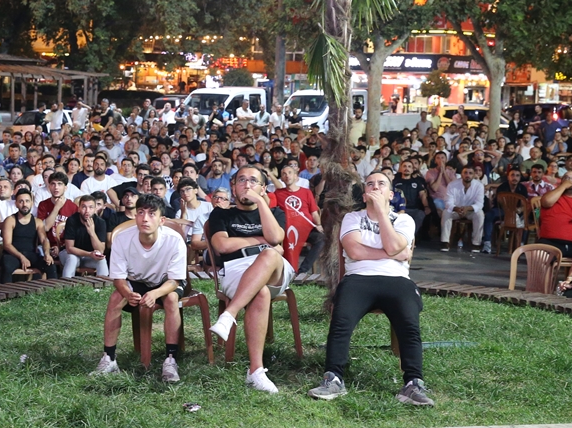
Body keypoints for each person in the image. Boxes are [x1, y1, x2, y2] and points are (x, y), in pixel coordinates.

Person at [309, 170, 432, 405]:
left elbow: (397, 245)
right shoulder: (352, 219)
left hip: (397, 280)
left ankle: (413, 383)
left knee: (409, 323)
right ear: (364, 195)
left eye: (381, 184)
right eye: (370, 185)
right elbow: (356, 252)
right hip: (358, 278)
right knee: (341, 320)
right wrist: (393, 253)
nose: (375, 188)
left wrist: (383, 216)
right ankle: (333, 378)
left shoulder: (404, 220)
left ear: (390, 194)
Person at [206, 165, 291, 394]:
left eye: (253, 181)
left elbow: (275, 239)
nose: (247, 184)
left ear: (263, 188)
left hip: (274, 270)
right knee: (260, 292)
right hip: (237, 268)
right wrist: (261, 241)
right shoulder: (221, 213)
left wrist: (262, 203)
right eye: (241, 180)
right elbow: (222, 246)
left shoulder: (275, 212)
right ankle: (256, 371)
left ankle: (230, 313)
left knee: (270, 254)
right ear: (233, 188)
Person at [91, 193, 189, 382]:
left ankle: (170, 360)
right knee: (115, 298)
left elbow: (175, 280)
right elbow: (118, 278)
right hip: (136, 281)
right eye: (141, 212)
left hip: (165, 282)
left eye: (152, 214)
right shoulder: (122, 238)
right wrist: (128, 293)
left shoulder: (174, 240)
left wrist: (155, 293)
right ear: (135, 215)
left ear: (162, 220)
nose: (145, 218)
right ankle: (109, 358)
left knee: (171, 299)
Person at [0, 187, 56, 282]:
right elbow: (7, 245)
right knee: (7, 267)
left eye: (27, 201)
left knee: (50, 265)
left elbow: (44, 240)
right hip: (13, 255)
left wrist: (47, 253)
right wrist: (21, 257)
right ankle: (5, 295)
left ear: (32, 203)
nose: (24, 204)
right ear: (16, 204)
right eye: (21, 201)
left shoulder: (37, 222)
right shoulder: (10, 220)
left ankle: (54, 294)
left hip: (31, 254)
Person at [538, 175, 572, 259]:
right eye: (567, 178)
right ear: (561, 181)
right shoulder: (552, 198)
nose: (570, 180)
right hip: (550, 242)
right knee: (538, 254)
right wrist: (564, 185)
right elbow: (546, 202)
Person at [61, 195, 108, 277]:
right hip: (71, 255)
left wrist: (92, 233)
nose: (87, 211)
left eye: (90, 207)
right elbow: (69, 248)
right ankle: (66, 287)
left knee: (102, 260)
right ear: (79, 209)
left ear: (95, 209)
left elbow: (101, 250)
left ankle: (103, 288)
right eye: (84, 207)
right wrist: (89, 254)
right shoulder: (72, 220)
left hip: (89, 258)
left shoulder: (101, 222)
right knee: (72, 259)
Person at [440, 166, 484, 251]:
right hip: (456, 210)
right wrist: (456, 208)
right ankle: (445, 242)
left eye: (470, 173)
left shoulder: (479, 185)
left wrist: (468, 208)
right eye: (465, 173)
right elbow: (448, 202)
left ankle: (476, 243)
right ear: (461, 174)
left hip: (470, 211)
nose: (467, 175)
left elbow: (479, 204)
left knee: (480, 214)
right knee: (446, 212)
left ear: (474, 174)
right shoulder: (452, 184)